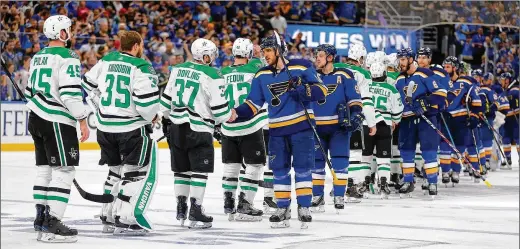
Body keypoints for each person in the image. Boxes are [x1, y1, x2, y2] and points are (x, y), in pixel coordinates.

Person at [230, 35, 327, 229]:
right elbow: (252, 104)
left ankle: (304, 207)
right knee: (279, 171)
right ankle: (283, 207)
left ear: (279, 50)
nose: (264, 55)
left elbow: (322, 91)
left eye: (268, 51)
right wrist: (235, 113)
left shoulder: (301, 67)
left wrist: (303, 89)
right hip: (277, 130)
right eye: (263, 51)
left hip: (302, 128)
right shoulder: (261, 75)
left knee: (302, 169)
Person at [82, 30, 160, 235]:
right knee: (134, 174)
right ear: (135, 46)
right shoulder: (141, 66)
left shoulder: (106, 60)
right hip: (131, 128)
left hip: (105, 128)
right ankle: (125, 217)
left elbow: (87, 83)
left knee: (114, 172)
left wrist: (101, 105)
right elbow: (146, 103)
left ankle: (107, 216)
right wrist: (153, 116)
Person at [27, 15, 90, 243]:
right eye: (68, 29)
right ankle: (53, 222)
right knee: (64, 171)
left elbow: (28, 91)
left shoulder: (37, 56)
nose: (70, 32)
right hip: (57, 119)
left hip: (36, 117)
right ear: (62, 33)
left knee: (44, 170)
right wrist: (82, 119)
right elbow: (70, 93)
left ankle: (41, 219)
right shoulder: (68, 56)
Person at [160, 38, 234, 229]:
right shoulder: (212, 74)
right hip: (199, 129)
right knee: (199, 171)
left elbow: (165, 102)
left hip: (176, 127)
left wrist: (168, 120)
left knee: (181, 171)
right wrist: (228, 115)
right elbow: (220, 111)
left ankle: (181, 208)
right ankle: (196, 209)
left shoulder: (176, 69)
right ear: (206, 55)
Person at [310, 44, 363, 212]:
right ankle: (317, 197)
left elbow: (354, 99)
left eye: (320, 55)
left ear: (330, 58)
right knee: (317, 163)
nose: (317, 58)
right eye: (316, 55)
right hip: (317, 127)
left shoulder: (345, 75)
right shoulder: (310, 76)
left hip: (338, 127)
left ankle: (339, 194)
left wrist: (355, 114)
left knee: (340, 161)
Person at [219, 38, 266, 221]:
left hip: (228, 127)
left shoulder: (222, 72)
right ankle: (245, 205)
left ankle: (228, 204)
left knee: (231, 166)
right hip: (249, 124)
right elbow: (263, 62)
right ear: (248, 54)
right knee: (254, 165)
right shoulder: (254, 68)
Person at [394, 48, 447, 198]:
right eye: (399, 59)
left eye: (403, 59)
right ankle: (408, 181)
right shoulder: (399, 79)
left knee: (429, 151)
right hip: (406, 119)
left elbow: (441, 94)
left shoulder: (425, 74)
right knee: (406, 151)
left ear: (411, 59)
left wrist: (425, 103)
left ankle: (432, 182)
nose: (400, 62)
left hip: (427, 117)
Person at [334, 44, 377, 201]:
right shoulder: (362, 73)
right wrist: (372, 122)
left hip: (327, 116)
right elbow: (365, 101)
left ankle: (336, 186)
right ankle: (351, 187)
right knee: (354, 152)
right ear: (360, 58)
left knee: (335, 153)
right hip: (350, 114)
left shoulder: (334, 66)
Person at [441, 56, 482, 186]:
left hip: (461, 118)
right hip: (445, 117)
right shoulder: (441, 81)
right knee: (444, 146)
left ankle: (456, 171)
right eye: (444, 67)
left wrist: (475, 116)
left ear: (455, 68)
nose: (445, 69)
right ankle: (445, 172)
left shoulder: (466, 82)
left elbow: (477, 100)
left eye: (448, 67)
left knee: (459, 147)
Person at [364, 62, 403, 198]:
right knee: (384, 157)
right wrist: (395, 121)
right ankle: (383, 184)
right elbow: (398, 110)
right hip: (385, 124)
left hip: (367, 124)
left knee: (366, 156)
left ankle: (364, 183)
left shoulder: (365, 86)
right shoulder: (391, 89)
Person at [416, 47, 450, 190]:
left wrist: (436, 103)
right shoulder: (412, 72)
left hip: (431, 115)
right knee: (415, 149)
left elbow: (447, 92)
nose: (421, 60)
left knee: (430, 148)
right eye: (419, 57)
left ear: (429, 59)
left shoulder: (438, 73)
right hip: (413, 116)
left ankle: (430, 177)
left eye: (424, 57)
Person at [500, 72, 518, 169]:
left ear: (507, 80)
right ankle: (507, 158)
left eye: (503, 80)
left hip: (515, 120)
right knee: (505, 138)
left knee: (518, 138)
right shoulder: (504, 91)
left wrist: (512, 112)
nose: (501, 82)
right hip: (506, 120)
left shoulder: (515, 91)